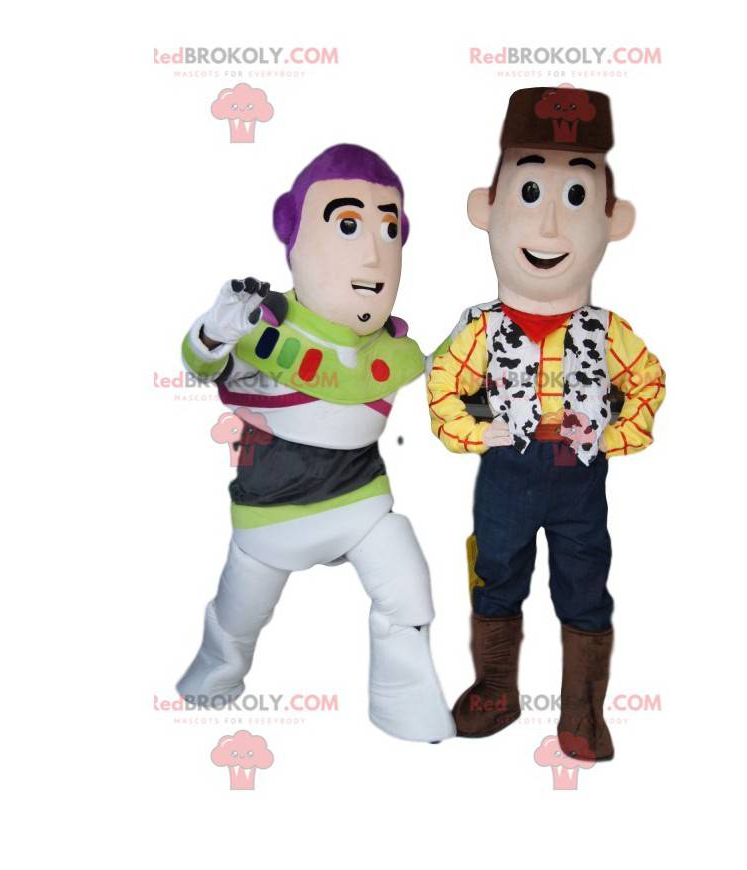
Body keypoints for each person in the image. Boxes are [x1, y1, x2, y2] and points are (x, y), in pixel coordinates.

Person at [178, 144, 455, 743]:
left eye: (389, 230)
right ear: (293, 230)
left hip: (361, 503)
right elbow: (204, 366)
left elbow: (442, 371)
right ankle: (213, 679)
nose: (374, 253)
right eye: (348, 225)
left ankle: (407, 707)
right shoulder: (266, 329)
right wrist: (214, 331)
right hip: (272, 513)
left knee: (407, 586)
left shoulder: (392, 347)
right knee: (239, 615)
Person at [428, 87, 666, 759]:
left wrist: (616, 435)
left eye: (578, 198)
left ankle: (582, 713)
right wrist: (473, 432)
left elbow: (648, 380)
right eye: (530, 193)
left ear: (615, 221)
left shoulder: (608, 331)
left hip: (578, 477)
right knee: (496, 569)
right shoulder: (481, 329)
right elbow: (443, 384)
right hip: (507, 469)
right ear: (487, 208)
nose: (552, 228)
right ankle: (495, 690)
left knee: (584, 583)